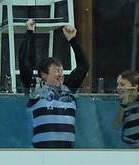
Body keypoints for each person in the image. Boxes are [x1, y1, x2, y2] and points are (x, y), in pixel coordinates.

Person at [18, 18, 90, 148]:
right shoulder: (35, 90)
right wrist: (29, 33)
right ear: (44, 75)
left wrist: (73, 40)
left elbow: (83, 67)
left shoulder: (67, 89)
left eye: (62, 71)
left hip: (67, 156)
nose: (61, 74)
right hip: (41, 157)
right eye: (56, 71)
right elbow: (24, 62)